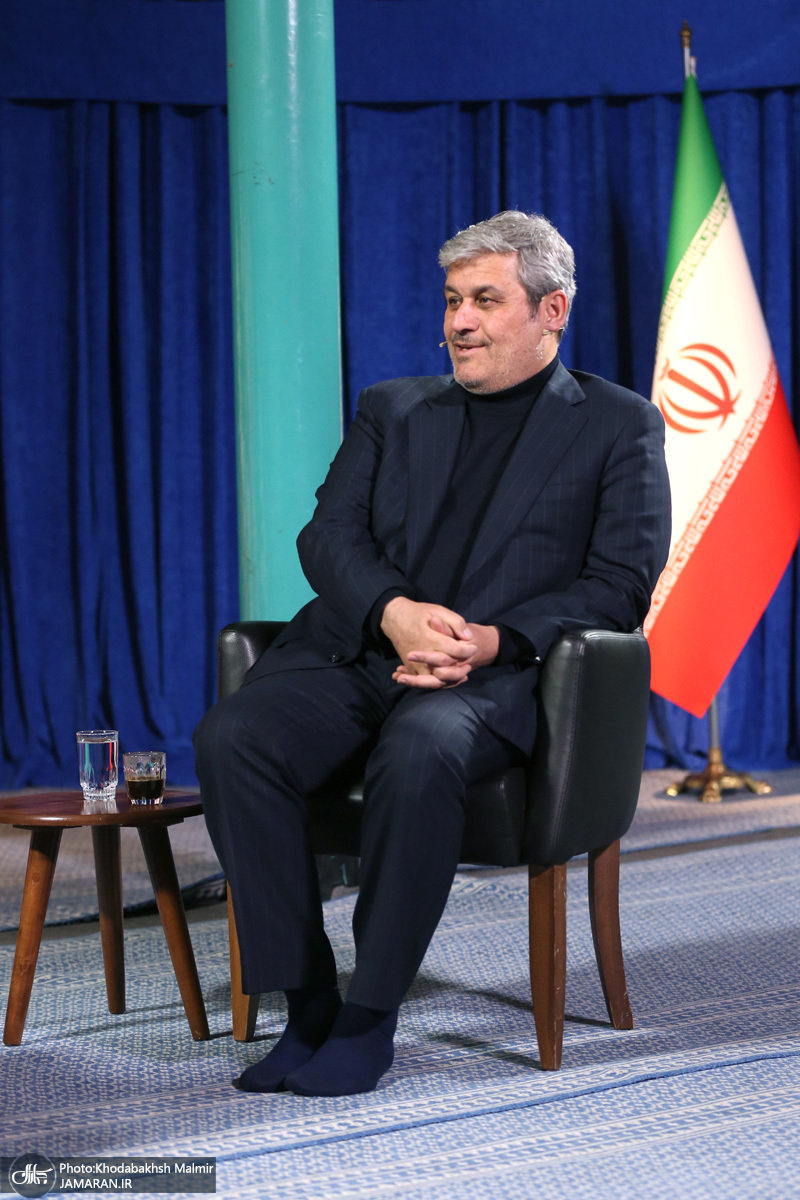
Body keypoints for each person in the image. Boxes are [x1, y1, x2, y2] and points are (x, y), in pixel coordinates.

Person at [194, 210, 671, 1098]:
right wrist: (395, 612)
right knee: (233, 736)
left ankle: (368, 1018)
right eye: (452, 301)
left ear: (552, 310)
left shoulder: (619, 424)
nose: (460, 322)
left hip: (499, 675)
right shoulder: (393, 408)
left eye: (486, 301)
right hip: (362, 653)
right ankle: (308, 1002)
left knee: (422, 745)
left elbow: (620, 582)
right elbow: (327, 536)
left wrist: (491, 640)